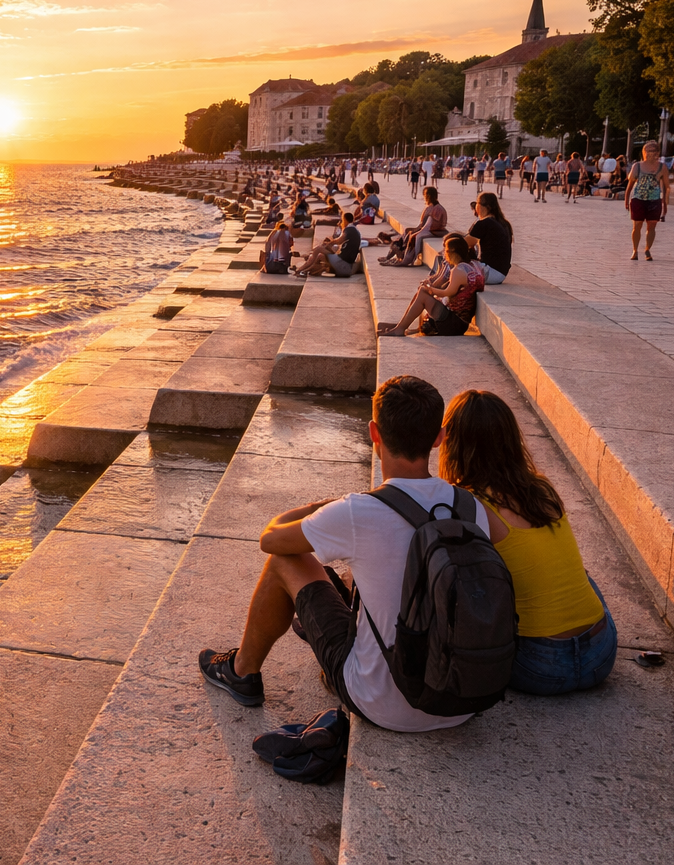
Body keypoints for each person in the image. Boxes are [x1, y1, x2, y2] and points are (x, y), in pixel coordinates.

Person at [198, 376, 494, 732]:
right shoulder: (469, 505)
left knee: (286, 561)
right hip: (462, 700)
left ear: (374, 433)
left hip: (383, 703)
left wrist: (319, 506)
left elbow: (271, 540)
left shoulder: (358, 511)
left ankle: (241, 671)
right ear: (438, 437)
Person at [438, 390, 617, 695]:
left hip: (538, 667)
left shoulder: (468, 504)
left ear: (453, 444)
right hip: (601, 655)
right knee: (580, 576)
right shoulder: (542, 489)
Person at [378, 234, 484, 337]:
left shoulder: (458, 270)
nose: (444, 254)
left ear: (453, 253)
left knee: (423, 293)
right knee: (423, 292)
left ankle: (400, 328)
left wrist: (431, 290)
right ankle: (401, 325)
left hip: (455, 324)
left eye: (446, 251)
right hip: (458, 322)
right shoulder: (471, 266)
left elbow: (448, 293)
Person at [623, 140, 669, 260]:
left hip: (654, 200)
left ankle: (647, 249)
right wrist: (626, 199)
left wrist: (665, 203)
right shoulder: (637, 166)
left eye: (654, 151)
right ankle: (635, 250)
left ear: (658, 152)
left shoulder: (662, 167)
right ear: (644, 153)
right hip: (638, 199)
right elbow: (630, 184)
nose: (651, 154)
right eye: (648, 151)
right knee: (637, 225)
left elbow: (665, 186)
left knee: (652, 226)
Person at [381, 186, 447, 267]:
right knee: (407, 231)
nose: (424, 197)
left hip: (434, 231)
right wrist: (414, 229)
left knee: (415, 236)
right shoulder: (430, 207)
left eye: (424, 195)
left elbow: (428, 227)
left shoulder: (436, 209)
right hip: (428, 229)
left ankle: (410, 259)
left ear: (428, 196)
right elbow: (423, 224)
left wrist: (416, 231)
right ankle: (394, 256)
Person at [295, 211, 363, 277]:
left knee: (318, 249)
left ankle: (301, 270)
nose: (341, 223)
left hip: (342, 264)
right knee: (320, 256)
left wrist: (330, 243)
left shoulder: (349, 229)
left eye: (342, 221)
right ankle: (306, 271)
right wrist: (329, 244)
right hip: (345, 268)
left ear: (345, 220)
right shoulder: (355, 231)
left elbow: (339, 241)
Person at [466, 192, 512, 283]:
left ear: (479, 206)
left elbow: (462, 244)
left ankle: (439, 289)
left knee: (455, 266)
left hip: (490, 272)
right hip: (500, 274)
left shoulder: (484, 223)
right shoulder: (503, 223)